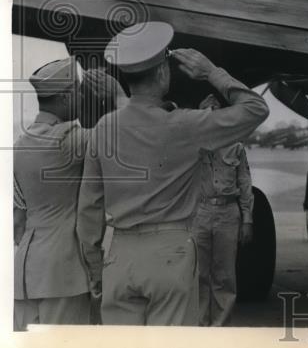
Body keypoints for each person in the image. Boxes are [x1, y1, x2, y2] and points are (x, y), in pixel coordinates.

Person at [76, 21, 269, 326]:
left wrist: (95, 267)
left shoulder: (103, 130)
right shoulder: (186, 126)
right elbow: (256, 109)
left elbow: (88, 209)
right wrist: (210, 71)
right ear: (163, 73)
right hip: (170, 256)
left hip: (119, 256)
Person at [13, 60, 93, 329]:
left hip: (25, 272)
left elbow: (17, 219)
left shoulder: (20, 144)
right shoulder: (71, 139)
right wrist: (117, 96)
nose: (83, 97)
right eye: (80, 92)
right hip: (63, 273)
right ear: (66, 96)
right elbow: (126, 133)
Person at [193, 94, 255, 326]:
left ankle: (221, 330)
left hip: (228, 214)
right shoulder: (192, 145)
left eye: (216, 112)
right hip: (200, 212)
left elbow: (245, 183)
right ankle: (200, 330)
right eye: (206, 113)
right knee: (198, 275)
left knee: (225, 277)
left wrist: (248, 219)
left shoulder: (236, 145)